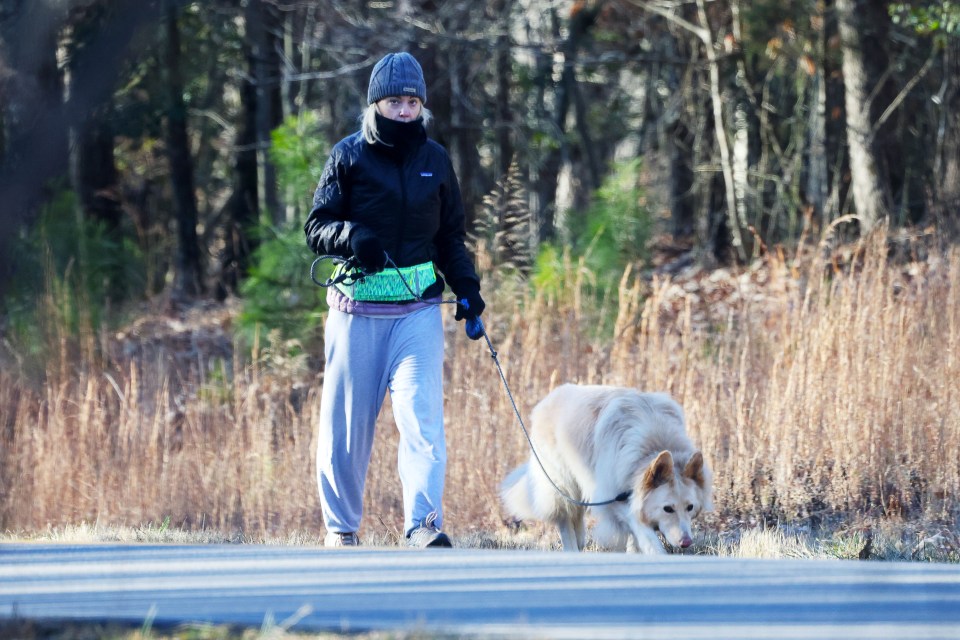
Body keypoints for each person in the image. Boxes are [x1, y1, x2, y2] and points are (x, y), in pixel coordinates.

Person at [304, 52, 485, 548]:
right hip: (355, 313)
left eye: (412, 102)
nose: (404, 111)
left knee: (421, 420)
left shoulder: (436, 161)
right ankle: (341, 530)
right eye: (394, 102)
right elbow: (316, 227)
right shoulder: (348, 155)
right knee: (346, 431)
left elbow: (450, 236)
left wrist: (467, 289)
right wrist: (351, 235)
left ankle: (423, 525)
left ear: (422, 106)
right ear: (375, 105)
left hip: (418, 314)